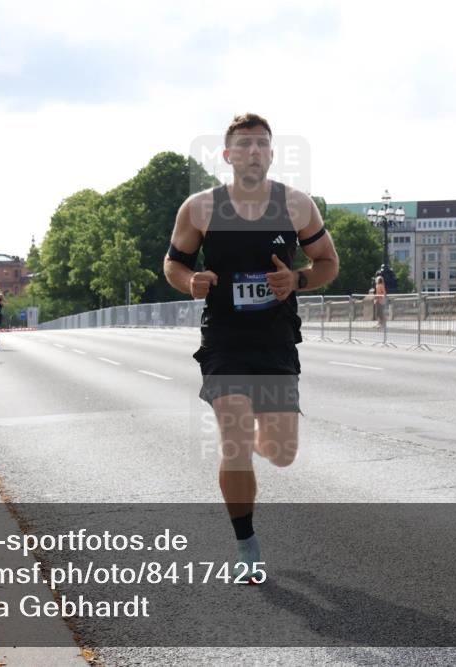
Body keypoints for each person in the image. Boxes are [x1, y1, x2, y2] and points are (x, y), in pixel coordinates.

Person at [163, 113, 339, 583]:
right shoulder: (199, 209)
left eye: (262, 144)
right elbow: (174, 263)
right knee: (234, 439)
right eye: (244, 145)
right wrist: (190, 281)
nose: (253, 152)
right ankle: (247, 547)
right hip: (224, 340)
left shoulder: (297, 206)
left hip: (276, 339)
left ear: (272, 153)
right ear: (227, 155)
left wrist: (298, 279)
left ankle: (261, 443)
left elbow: (327, 263)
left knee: (280, 453)